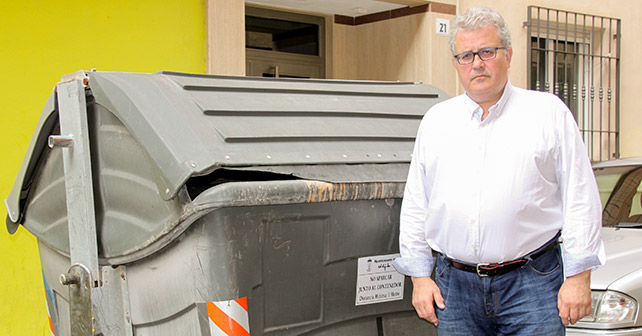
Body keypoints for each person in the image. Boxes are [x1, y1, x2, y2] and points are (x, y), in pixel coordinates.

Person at [392, 7, 604, 335]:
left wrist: (578, 277)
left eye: (487, 52)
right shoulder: (437, 121)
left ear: (508, 54)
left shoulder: (547, 114)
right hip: (455, 290)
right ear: (456, 63)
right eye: (466, 55)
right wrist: (420, 278)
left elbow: (580, 197)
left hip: (532, 284)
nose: (476, 63)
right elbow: (417, 204)